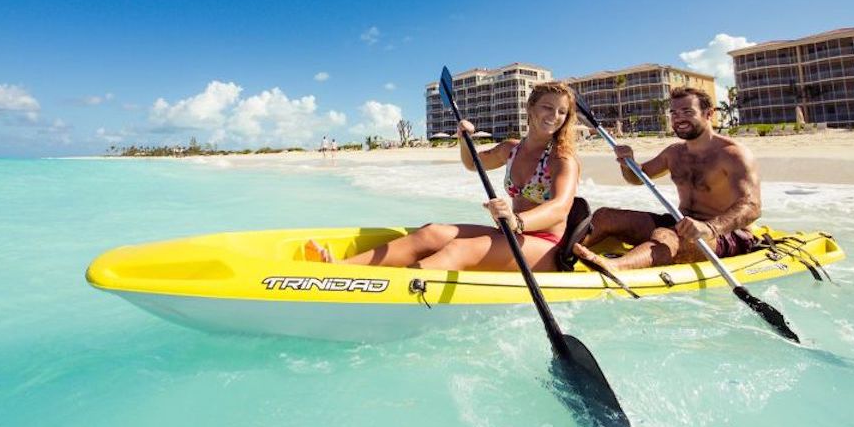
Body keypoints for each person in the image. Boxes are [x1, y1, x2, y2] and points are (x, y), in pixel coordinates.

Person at [306, 82, 581, 271]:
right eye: (547, 107)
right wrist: (464, 141)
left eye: (561, 112)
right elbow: (473, 165)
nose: (554, 116)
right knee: (431, 233)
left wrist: (517, 220)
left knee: (458, 250)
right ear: (531, 108)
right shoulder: (511, 149)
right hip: (511, 233)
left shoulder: (561, 158)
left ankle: (397, 288)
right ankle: (341, 269)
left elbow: (560, 208)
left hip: (545, 247)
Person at [572, 86, 761, 272]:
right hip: (681, 223)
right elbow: (637, 178)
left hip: (724, 234)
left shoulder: (733, 154)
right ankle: (559, 254)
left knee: (665, 235)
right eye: (674, 113)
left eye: (687, 111)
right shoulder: (674, 153)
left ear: (708, 113)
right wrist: (627, 163)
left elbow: (752, 206)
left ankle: (615, 267)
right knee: (606, 216)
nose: (679, 118)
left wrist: (709, 228)